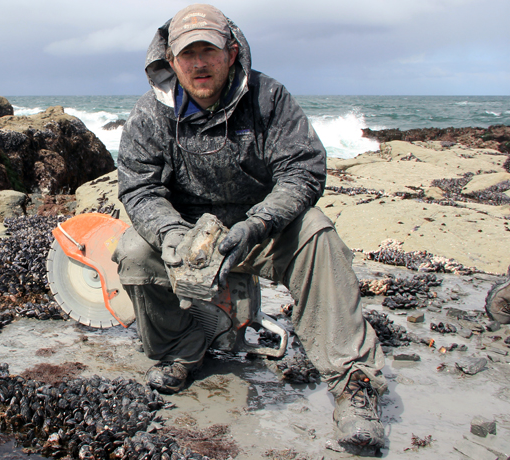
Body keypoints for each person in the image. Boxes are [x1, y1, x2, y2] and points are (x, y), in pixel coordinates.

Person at [113, 4, 388, 453]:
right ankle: (183, 348)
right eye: (188, 55)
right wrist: (170, 235)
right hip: (189, 235)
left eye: (209, 51)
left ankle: (354, 380)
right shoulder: (151, 114)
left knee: (317, 231)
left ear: (232, 52)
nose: (199, 63)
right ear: (170, 61)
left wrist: (257, 224)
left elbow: (303, 171)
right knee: (134, 251)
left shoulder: (269, 98)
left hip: (261, 229)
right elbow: (140, 190)